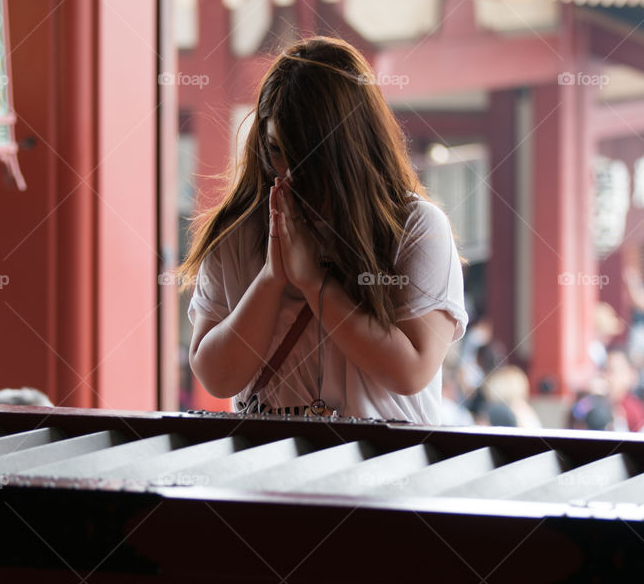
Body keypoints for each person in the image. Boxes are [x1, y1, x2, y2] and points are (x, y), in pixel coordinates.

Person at [178, 37, 468, 425]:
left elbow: (411, 370)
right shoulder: (239, 232)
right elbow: (216, 376)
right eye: (278, 151)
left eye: (311, 154)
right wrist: (271, 278)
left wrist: (315, 284)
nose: (293, 174)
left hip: (380, 470)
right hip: (269, 471)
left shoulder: (415, 228)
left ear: (350, 146)